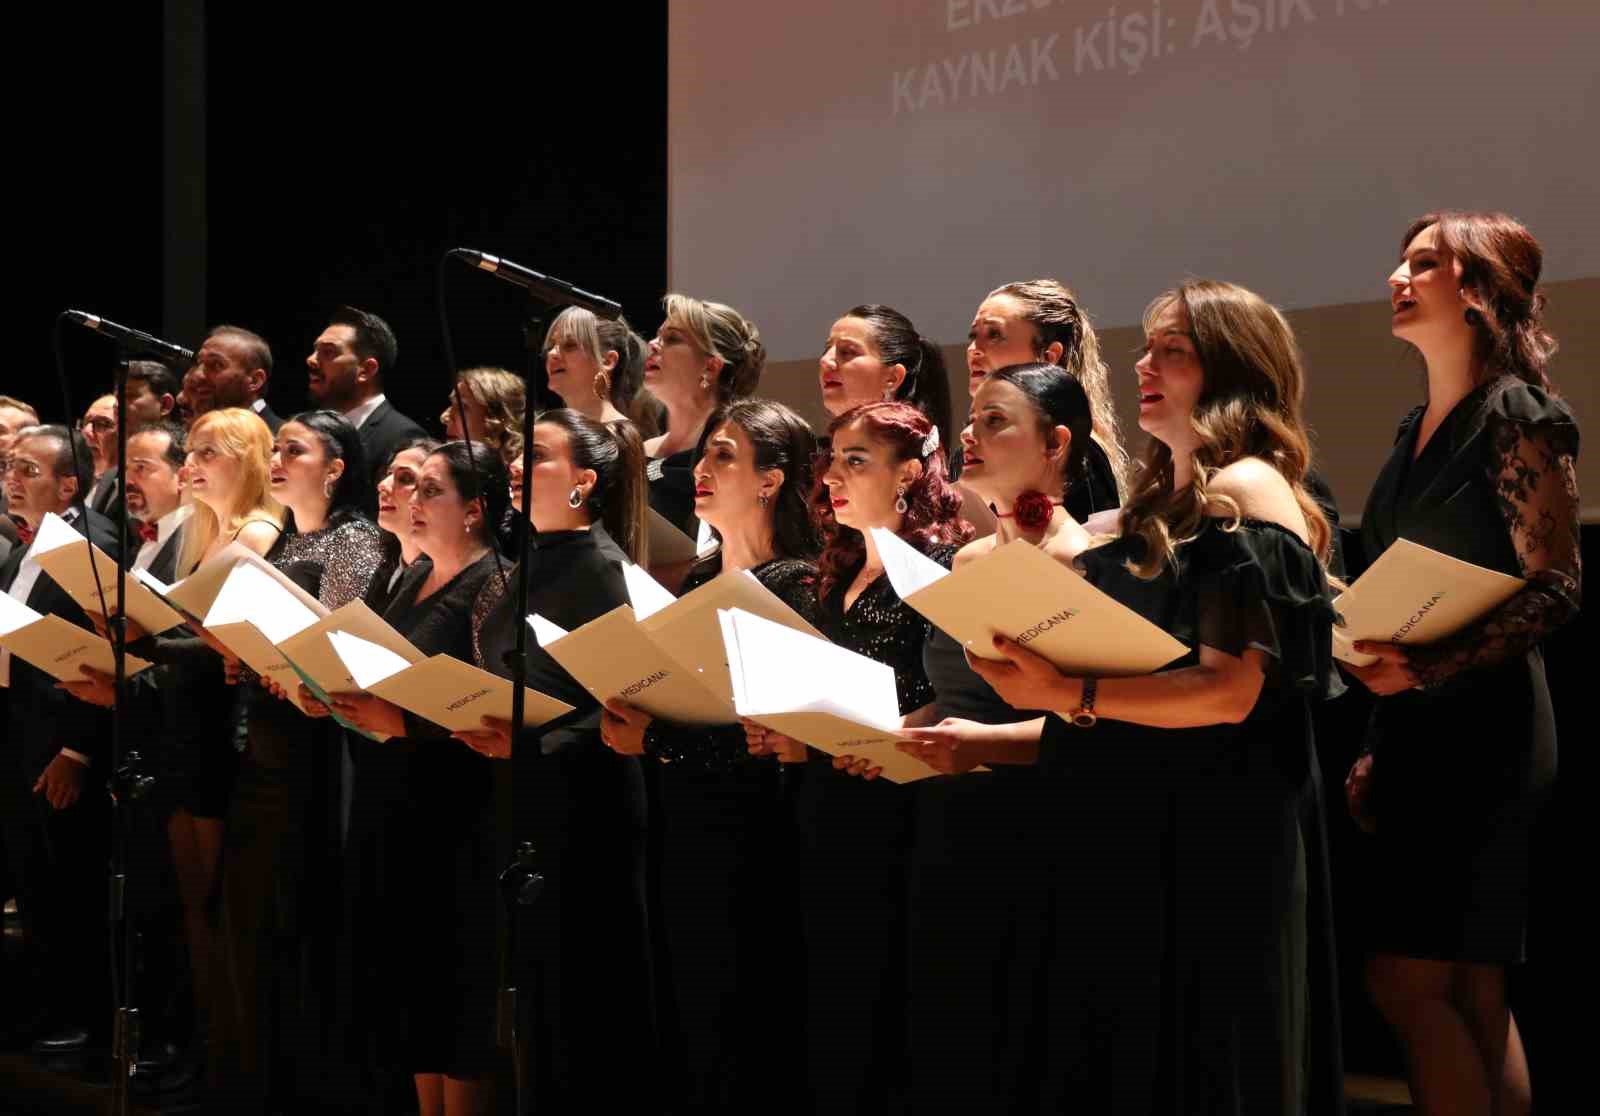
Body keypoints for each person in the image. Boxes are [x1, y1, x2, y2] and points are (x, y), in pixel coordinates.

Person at [933, 281, 1344, 1111]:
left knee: (1210, 1060)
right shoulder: (1166, 504)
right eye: (1148, 346)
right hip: (1153, 825)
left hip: (1214, 835)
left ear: (1232, 373)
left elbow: (1228, 692)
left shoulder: (1250, 490)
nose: (1143, 364)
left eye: (1173, 352)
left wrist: (1066, 691)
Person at [1344, 211, 1580, 1116]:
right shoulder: (1414, 427)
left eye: (1425, 264)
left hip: (1486, 732)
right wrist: (1379, 731)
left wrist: (1431, 673)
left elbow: (1556, 584)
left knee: (1407, 983)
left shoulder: (1520, 410)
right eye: (1400, 261)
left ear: (1478, 289)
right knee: (1469, 992)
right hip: (1418, 725)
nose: (1399, 277)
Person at [742, 400, 973, 1113]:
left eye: (856, 461)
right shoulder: (836, 574)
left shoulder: (942, 567)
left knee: (894, 995)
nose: (832, 478)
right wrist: (790, 732)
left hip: (906, 809)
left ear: (909, 472)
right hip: (829, 807)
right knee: (835, 995)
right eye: (831, 461)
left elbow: (953, 690)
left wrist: (893, 732)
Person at [599, 399, 818, 1113]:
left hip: (751, 830)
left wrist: (653, 737)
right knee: (684, 1015)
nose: (702, 465)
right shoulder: (696, 578)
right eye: (705, 452)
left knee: (737, 1020)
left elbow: (762, 730)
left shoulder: (798, 582)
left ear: (771, 481)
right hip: (680, 821)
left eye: (725, 454)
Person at [454, 410, 656, 1113]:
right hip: (525, 795)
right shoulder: (532, 560)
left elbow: (624, 701)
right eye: (515, 452)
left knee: (579, 1000)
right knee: (532, 996)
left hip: (585, 809)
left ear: (584, 482)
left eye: (534, 455)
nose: (513, 463)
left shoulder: (602, 568)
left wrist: (536, 740)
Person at [318, 440, 510, 1116]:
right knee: (411, 989)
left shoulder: (494, 583)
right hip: (389, 800)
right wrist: (328, 690)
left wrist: (410, 723)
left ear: (475, 509)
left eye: (432, 491)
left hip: (455, 811)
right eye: (414, 487)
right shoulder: (410, 574)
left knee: (456, 984)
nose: (415, 501)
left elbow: (497, 711)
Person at [209, 410, 383, 1112]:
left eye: (294, 449)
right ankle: (259, 1080)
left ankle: (307, 1085)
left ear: (337, 467)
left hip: (321, 751)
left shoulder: (355, 538)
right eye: (274, 448)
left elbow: (344, 649)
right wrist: (243, 659)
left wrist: (290, 668)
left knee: (302, 916)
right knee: (256, 920)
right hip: (268, 741)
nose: (275, 458)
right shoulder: (287, 537)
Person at [963, 279, 1128, 518]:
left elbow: (1093, 550)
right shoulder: (967, 454)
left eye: (994, 334)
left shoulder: (1080, 454)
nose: (974, 349)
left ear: (1049, 356)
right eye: (973, 335)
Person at [642, 293, 765, 537]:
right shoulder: (640, 450)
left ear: (711, 366)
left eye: (672, 338)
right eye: (658, 336)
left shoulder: (734, 454)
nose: (653, 344)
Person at [305, 305, 427, 488]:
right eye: (315, 350)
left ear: (366, 370)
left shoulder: (403, 437)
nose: (311, 359)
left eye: (328, 352)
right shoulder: (309, 428)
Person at [816, 304, 953, 455]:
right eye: (826, 349)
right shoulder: (812, 459)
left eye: (847, 351)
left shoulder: (920, 464)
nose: (825, 360)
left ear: (892, 378)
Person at [542, 306, 648, 427]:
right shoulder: (547, 429)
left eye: (570, 345)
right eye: (551, 345)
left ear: (607, 361)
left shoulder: (620, 437)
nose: (552, 353)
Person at [189, 325, 281, 431]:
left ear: (255, 381)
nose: (197, 374)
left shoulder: (278, 441)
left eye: (216, 365)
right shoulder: (197, 431)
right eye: (199, 362)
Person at [440, 367, 525, 462]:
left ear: (499, 417)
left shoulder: (524, 474)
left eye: (462, 406)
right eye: (452, 404)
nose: (445, 417)